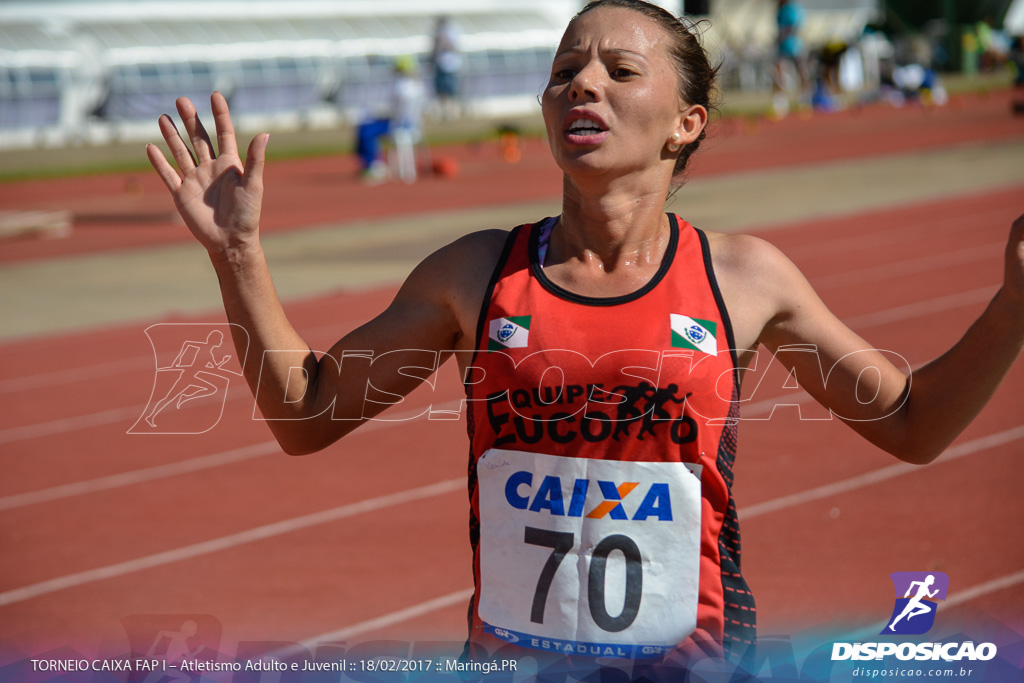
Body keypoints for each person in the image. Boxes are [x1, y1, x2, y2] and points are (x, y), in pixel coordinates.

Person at [146, 0, 1024, 673]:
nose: (583, 83)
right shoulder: (474, 274)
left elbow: (913, 424)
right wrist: (238, 254)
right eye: (566, 68)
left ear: (688, 122)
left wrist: (1013, 304)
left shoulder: (746, 278)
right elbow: (306, 416)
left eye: (619, 69)